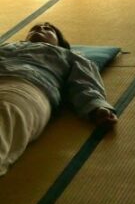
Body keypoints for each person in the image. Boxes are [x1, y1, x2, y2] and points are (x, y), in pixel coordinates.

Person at [0, 22, 117, 176]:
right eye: (34, 28)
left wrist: (97, 107)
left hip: (26, 86)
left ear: (59, 41)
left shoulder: (69, 56)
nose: (40, 30)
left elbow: (84, 84)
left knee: (5, 115)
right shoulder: (5, 47)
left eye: (47, 29)